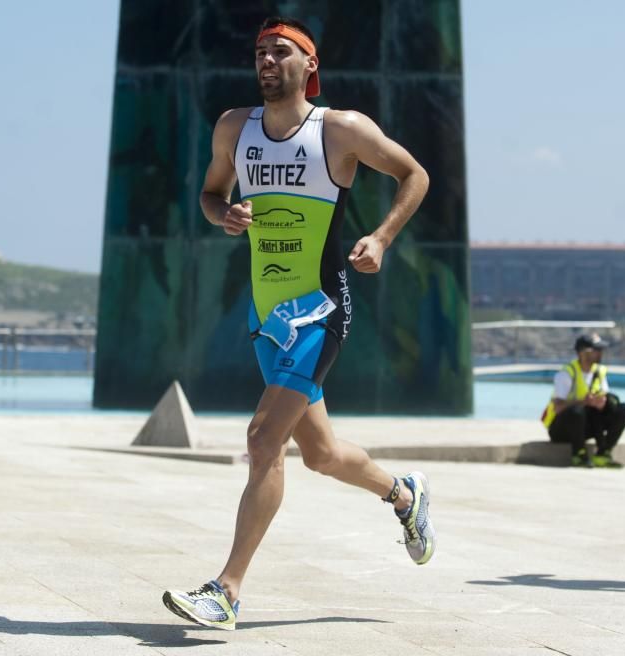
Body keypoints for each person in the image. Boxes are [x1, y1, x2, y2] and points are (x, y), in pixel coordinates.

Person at [161, 16, 434, 630]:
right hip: (267, 315)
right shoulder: (235, 128)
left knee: (263, 440)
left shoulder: (340, 129)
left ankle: (226, 591)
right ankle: (404, 493)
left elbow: (415, 175)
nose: (265, 60)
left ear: (309, 65)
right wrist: (223, 213)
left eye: (280, 51)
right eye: (259, 51)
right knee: (322, 455)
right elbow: (209, 194)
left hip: (319, 308)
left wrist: (383, 237)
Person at [541, 333, 625, 468]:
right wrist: (584, 402)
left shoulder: (599, 371)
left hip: (586, 426)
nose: (601, 353)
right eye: (597, 350)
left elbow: (604, 396)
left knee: (622, 409)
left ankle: (603, 453)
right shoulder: (567, 373)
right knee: (577, 412)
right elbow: (558, 408)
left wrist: (602, 403)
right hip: (561, 429)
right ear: (583, 353)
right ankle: (578, 454)